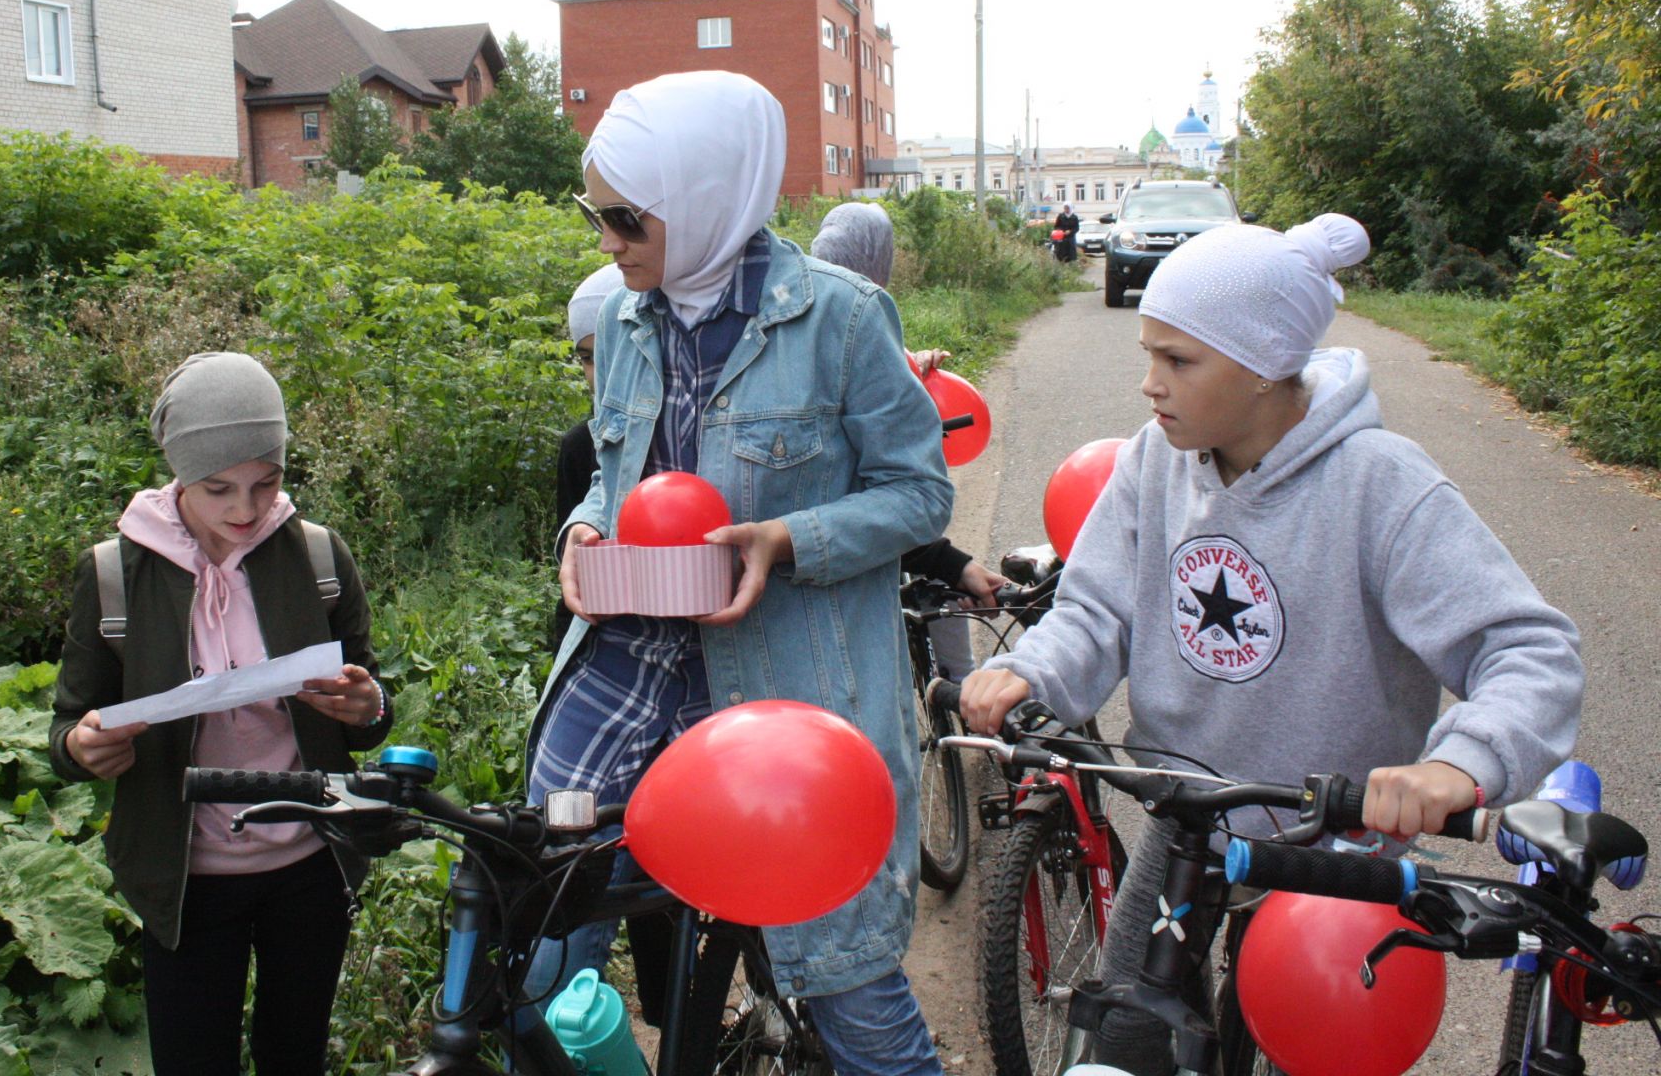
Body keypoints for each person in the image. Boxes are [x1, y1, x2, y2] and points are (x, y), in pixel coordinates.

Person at [958, 213, 1584, 1073]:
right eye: (1149, 354)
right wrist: (1029, 670)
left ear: (1261, 366)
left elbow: (1528, 649)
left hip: (1336, 856)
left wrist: (1459, 766)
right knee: (1131, 1040)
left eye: (1178, 359)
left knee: (1311, 1052)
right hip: (1189, 833)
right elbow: (1097, 610)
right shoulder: (1153, 461)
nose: (1149, 384)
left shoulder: (1381, 483)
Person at [541, 70, 956, 1075]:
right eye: (594, 214)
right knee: (540, 959)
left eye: (624, 218)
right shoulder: (630, 323)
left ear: (702, 201)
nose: (606, 240)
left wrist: (783, 541)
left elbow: (920, 495)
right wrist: (587, 529)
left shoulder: (844, 321)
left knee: (844, 978)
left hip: (785, 690)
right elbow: (612, 469)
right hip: (626, 674)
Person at [50, 351, 390, 1076]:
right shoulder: (114, 576)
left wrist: (367, 706)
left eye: (266, 484)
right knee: (192, 1058)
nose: (244, 510)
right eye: (217, 489)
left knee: (294, 1055)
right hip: (187, 876)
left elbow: (372, 700)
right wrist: (83, 748)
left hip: (308, 861)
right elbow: (68, 725)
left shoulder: (320, 557)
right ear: (179, 475)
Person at [811, 200, 1004, 679]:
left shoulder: (812, 305)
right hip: (857, 518)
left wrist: (914, 362)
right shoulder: (861, 313)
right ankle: (961, 681)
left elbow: (878, 369)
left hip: (829, 522)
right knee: (942, 579)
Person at [553, 263, 629, 651]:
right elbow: (575, 575)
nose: (598, 373)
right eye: (586, 357)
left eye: (610, 350)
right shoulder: (583, 446)